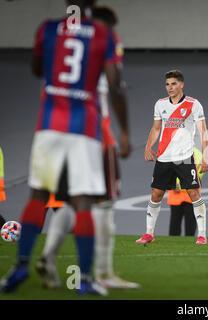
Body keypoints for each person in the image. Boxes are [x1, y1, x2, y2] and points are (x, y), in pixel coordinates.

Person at [0, 0, 130, 295]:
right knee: (84, 203)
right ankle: (84, 279)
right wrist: (126, 133)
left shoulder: (47, 29)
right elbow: (115, 83)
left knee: (37, 197)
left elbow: (36, 68)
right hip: (84, 127)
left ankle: (20, 265)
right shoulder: (102, 34)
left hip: (49, 125)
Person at [34, 6, 139, 290]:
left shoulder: (65, 47)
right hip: (95, 138)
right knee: (104, 205)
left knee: (68, 201)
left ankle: (47, 256)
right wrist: (125, 133)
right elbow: (116, 91)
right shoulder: (102, 54)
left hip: (59, 132)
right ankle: (104, 273)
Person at [136, 70, 208, 245]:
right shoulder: (160, 104)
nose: (170, 87)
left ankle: (202, 235)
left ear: (181, 84)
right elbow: (155, 128)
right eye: (167, 84)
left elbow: (203, 131)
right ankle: (149, 234)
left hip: (185, 157)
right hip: (163, 158)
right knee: (156, 193)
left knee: (194, 193)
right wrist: (148, 146)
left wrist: (206, 156)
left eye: (174, 83)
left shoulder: (193, 104)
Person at [168, 147, 204, 236]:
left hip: (191, 195)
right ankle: (173, 244)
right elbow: (168, 169)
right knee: (174, 224)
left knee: (190, 224)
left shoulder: (197, 153)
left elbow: (200, 170)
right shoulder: (172, 151)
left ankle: (190, 243)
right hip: (176, 195)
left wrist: (179, 184)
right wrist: (174, 183)